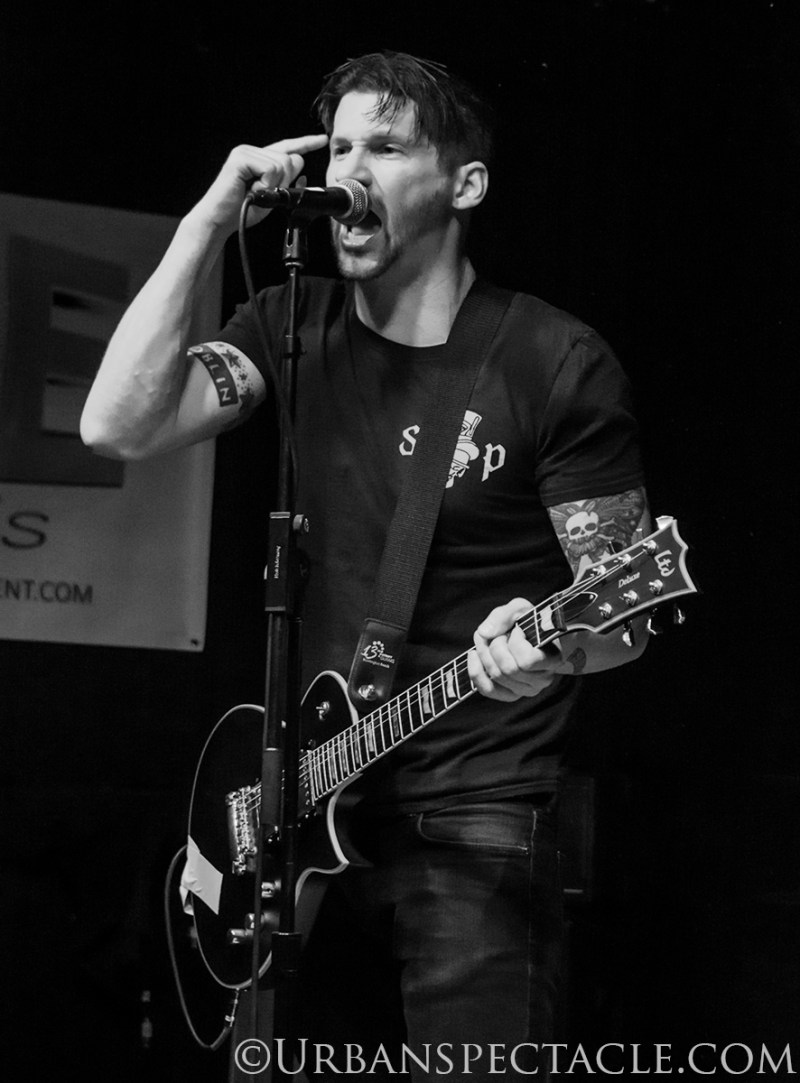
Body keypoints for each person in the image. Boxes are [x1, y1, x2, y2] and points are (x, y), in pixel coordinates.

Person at [81, 51, 651, 1080]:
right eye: (339, 146)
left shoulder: (551, 360)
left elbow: (623, 615)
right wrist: (206, 222)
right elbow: (115, 427)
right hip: (302, 801)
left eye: (384, 148)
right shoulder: (289, 324)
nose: (347, 171)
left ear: (463, 185)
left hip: (474, 799)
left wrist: (550, 652)